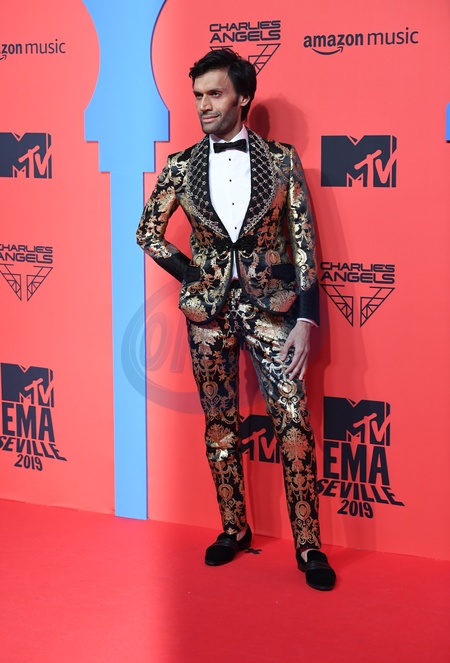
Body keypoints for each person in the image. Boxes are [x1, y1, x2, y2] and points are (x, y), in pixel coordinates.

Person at [136, 48, 336, 591]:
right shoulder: (181, 165)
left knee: (292, 420)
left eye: (215, 94)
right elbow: (147, 232)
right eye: (197, 95)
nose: (203, 105)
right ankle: (234, 528)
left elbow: (303, 241)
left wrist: (308, 321)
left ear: (242, 97)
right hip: (208, 317)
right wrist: (195, 276)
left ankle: (309, 543)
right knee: (220, 424)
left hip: (274, 310)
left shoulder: (282, 160)